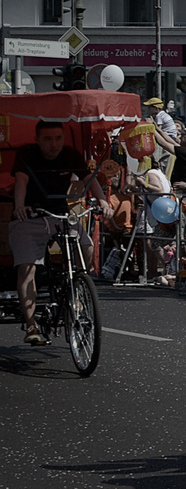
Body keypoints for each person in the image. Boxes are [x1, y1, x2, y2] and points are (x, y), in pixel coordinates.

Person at [9, 121, 109, 344]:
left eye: (58, 138)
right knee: (26, 268)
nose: (54, 144)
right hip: (30, 215)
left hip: (59, 214)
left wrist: (103, 201)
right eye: (47, 139)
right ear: (37, 139)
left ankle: (76, 285)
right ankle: (32, 326)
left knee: (86, 246)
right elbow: (21, 182)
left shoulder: (71, 155)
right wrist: (18, 205)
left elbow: (88, 180)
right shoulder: (27, 154)